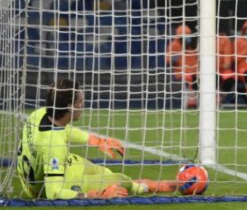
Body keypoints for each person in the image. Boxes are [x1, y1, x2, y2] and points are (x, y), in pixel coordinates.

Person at [16, 79, 177, 200]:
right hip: (47, 187)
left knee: (102, 171)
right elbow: (53, 193)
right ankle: (144, 187)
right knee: (121, 181)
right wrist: (94, 196)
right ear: (70, 107)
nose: (82, 105)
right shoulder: (55, 147)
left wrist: (96, 140)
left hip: (45, 172)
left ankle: (144, 184)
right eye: (80, 102)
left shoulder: (39, 114)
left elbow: (62, 129)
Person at [165, 24, 198, 108]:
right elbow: (169, 61)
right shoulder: (174, 45)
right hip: (181, 73)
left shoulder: (192, 45)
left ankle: (194, 104)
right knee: (189, 84)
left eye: (188, 36)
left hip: (194, 73)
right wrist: (180, 53)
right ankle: (188, 105)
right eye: (184, 36)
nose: (186, 38)